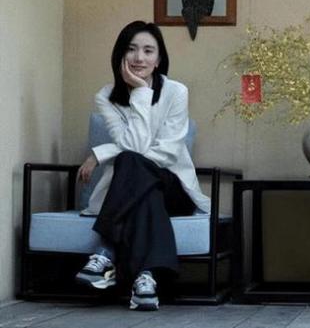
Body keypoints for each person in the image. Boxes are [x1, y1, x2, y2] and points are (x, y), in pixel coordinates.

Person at [74, 21, 210, 311]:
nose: (139, 58)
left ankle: (106, 252)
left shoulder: (176, 92)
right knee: (140, 183)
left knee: (130, 161)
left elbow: (167, 152)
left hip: (174, 187)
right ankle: (146, 280)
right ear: (120, 55)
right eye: (132, 49)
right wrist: (140, 92)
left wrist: (101, 152)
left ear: (159, 59)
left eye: (149, 51)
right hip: (141, 191)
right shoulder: (106, 96)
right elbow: (133, 147)